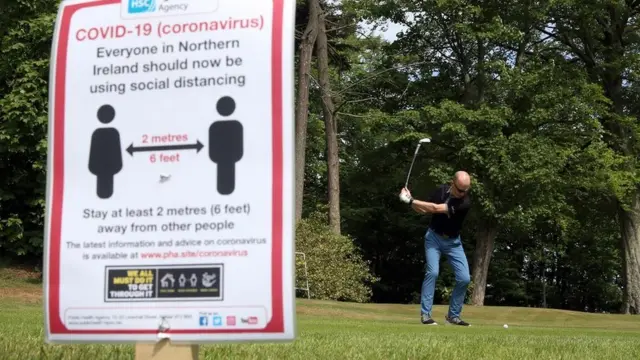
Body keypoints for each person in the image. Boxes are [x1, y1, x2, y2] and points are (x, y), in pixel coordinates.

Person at [399, 171, 472, 326]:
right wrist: (410, 203)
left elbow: (435, 208)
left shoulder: (464, 203)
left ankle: (453, 316)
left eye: (466, 190)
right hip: (434, 238)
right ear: (453, 183)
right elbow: (424, 210)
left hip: (454, 243)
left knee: (464, 278)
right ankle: (426, 315)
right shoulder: (441, 191)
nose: (463, 193)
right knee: (432, 272)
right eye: (460, 190)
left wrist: (411, 200)